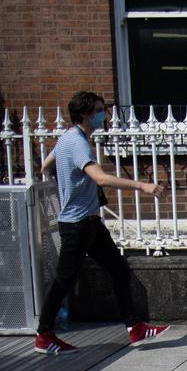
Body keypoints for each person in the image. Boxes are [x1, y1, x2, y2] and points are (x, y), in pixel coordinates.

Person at [35, 91, 170, 355]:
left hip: (90, 223)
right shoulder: (78, 143)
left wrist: (69, 182)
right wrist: (142, 185)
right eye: (99, 110)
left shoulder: (67, 139)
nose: (103, 115)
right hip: (77, 225)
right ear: (85, 114)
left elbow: (45, 166)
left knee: (119, 270)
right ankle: (43, 334)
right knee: (64, 280)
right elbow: (101, 178)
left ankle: (135, 328)